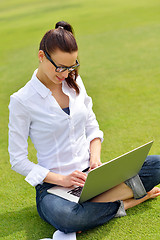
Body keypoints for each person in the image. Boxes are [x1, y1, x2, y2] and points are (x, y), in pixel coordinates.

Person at [8, 21, 160, 238]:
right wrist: (63, 180)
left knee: (156, 165)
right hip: (54, 188)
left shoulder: (74, 80)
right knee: (66, 218)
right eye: (59, 67)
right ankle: (127, 202)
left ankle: (92, 205)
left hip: (93, 177)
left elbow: (92, 126)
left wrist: (95, 160)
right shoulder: (22, 101)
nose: (64, 74)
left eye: (70, 66)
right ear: (41, 56)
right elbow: (18, 160)